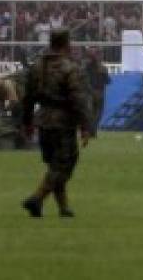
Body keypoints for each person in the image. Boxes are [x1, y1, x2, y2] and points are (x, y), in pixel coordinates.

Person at [20, 29, 92, 218]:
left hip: (43, 120)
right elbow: (78, 100)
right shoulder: (69, 68)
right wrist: (86, 126)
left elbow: (27, 98)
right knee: (65, 164)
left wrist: (27, 123)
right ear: (67, 44)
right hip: (63, 122)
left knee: (54, 164)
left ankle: (63, 208)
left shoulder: (37, 66)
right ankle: (37, 198)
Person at [83, 49, 110, 137]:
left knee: (94, 113)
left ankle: (92, 131)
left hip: (93, 92)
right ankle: (92, 131)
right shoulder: (101, 68)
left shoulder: (88, 67)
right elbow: (108, 81)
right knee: (96, 114)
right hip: (96, 92)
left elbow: (107, 80)